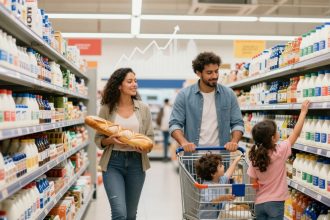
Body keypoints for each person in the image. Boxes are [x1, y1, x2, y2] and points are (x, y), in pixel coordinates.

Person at [94, 68, 154, 220]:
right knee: (119, 213)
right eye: (129, 81)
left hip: (136, 163)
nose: (134, 84)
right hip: (113, 163)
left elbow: (150, 138)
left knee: (130, 215)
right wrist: (110, 140)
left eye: (135, 81)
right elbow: (98, 139)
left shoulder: (143, 109)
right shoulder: (106, 109)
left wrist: (144, 147)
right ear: (119, 85)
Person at [247, 100, 310, 220]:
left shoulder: (254, 156)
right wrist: (303, 112)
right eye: (276, 131)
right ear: (273, 138)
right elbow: (295, 133)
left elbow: (253, 183)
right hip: (276, 203)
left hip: (259, 203)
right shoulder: (280, 151)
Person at [169, 52, 244, 152]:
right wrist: (184, 142)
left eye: (216, 71)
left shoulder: (229, 94)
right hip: (193, 158)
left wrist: (234, 141)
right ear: (198, 73)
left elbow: (237, 123)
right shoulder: (184, 95)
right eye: (209, 73)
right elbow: (175, 124)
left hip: (220, 157)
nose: (214, 76)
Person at [195, 154, 242, 219]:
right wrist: (224, 197)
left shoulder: (220, 179)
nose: (223, 166)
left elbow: (229, 172)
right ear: (213, 173)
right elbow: (212, 200)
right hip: (206, 218)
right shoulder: (207, 186)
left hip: (217, 216)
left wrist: (236, 161)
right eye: (220, 166)